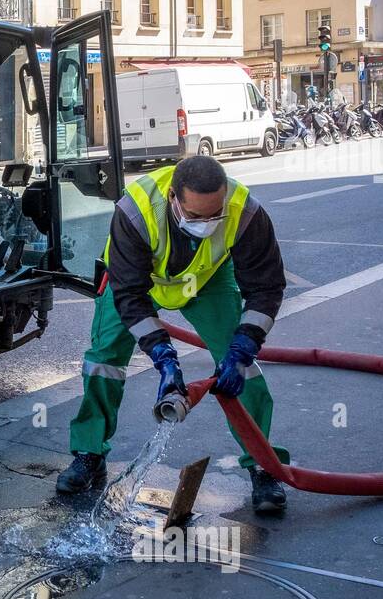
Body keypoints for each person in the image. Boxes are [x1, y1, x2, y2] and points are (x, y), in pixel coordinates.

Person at [56, 155, 292, 514]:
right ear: (172, 197)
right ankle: (89, 453)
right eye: (196, 216)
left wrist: (244, 345)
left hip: (205, 280)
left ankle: (263, 465)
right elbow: (131, 298)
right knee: (104, 362)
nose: (207, 224)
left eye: (216, 215)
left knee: (243, 369)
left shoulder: (245, 212)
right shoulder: (135, 210)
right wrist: (164, 358)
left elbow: (267, 289)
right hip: (135, 282)